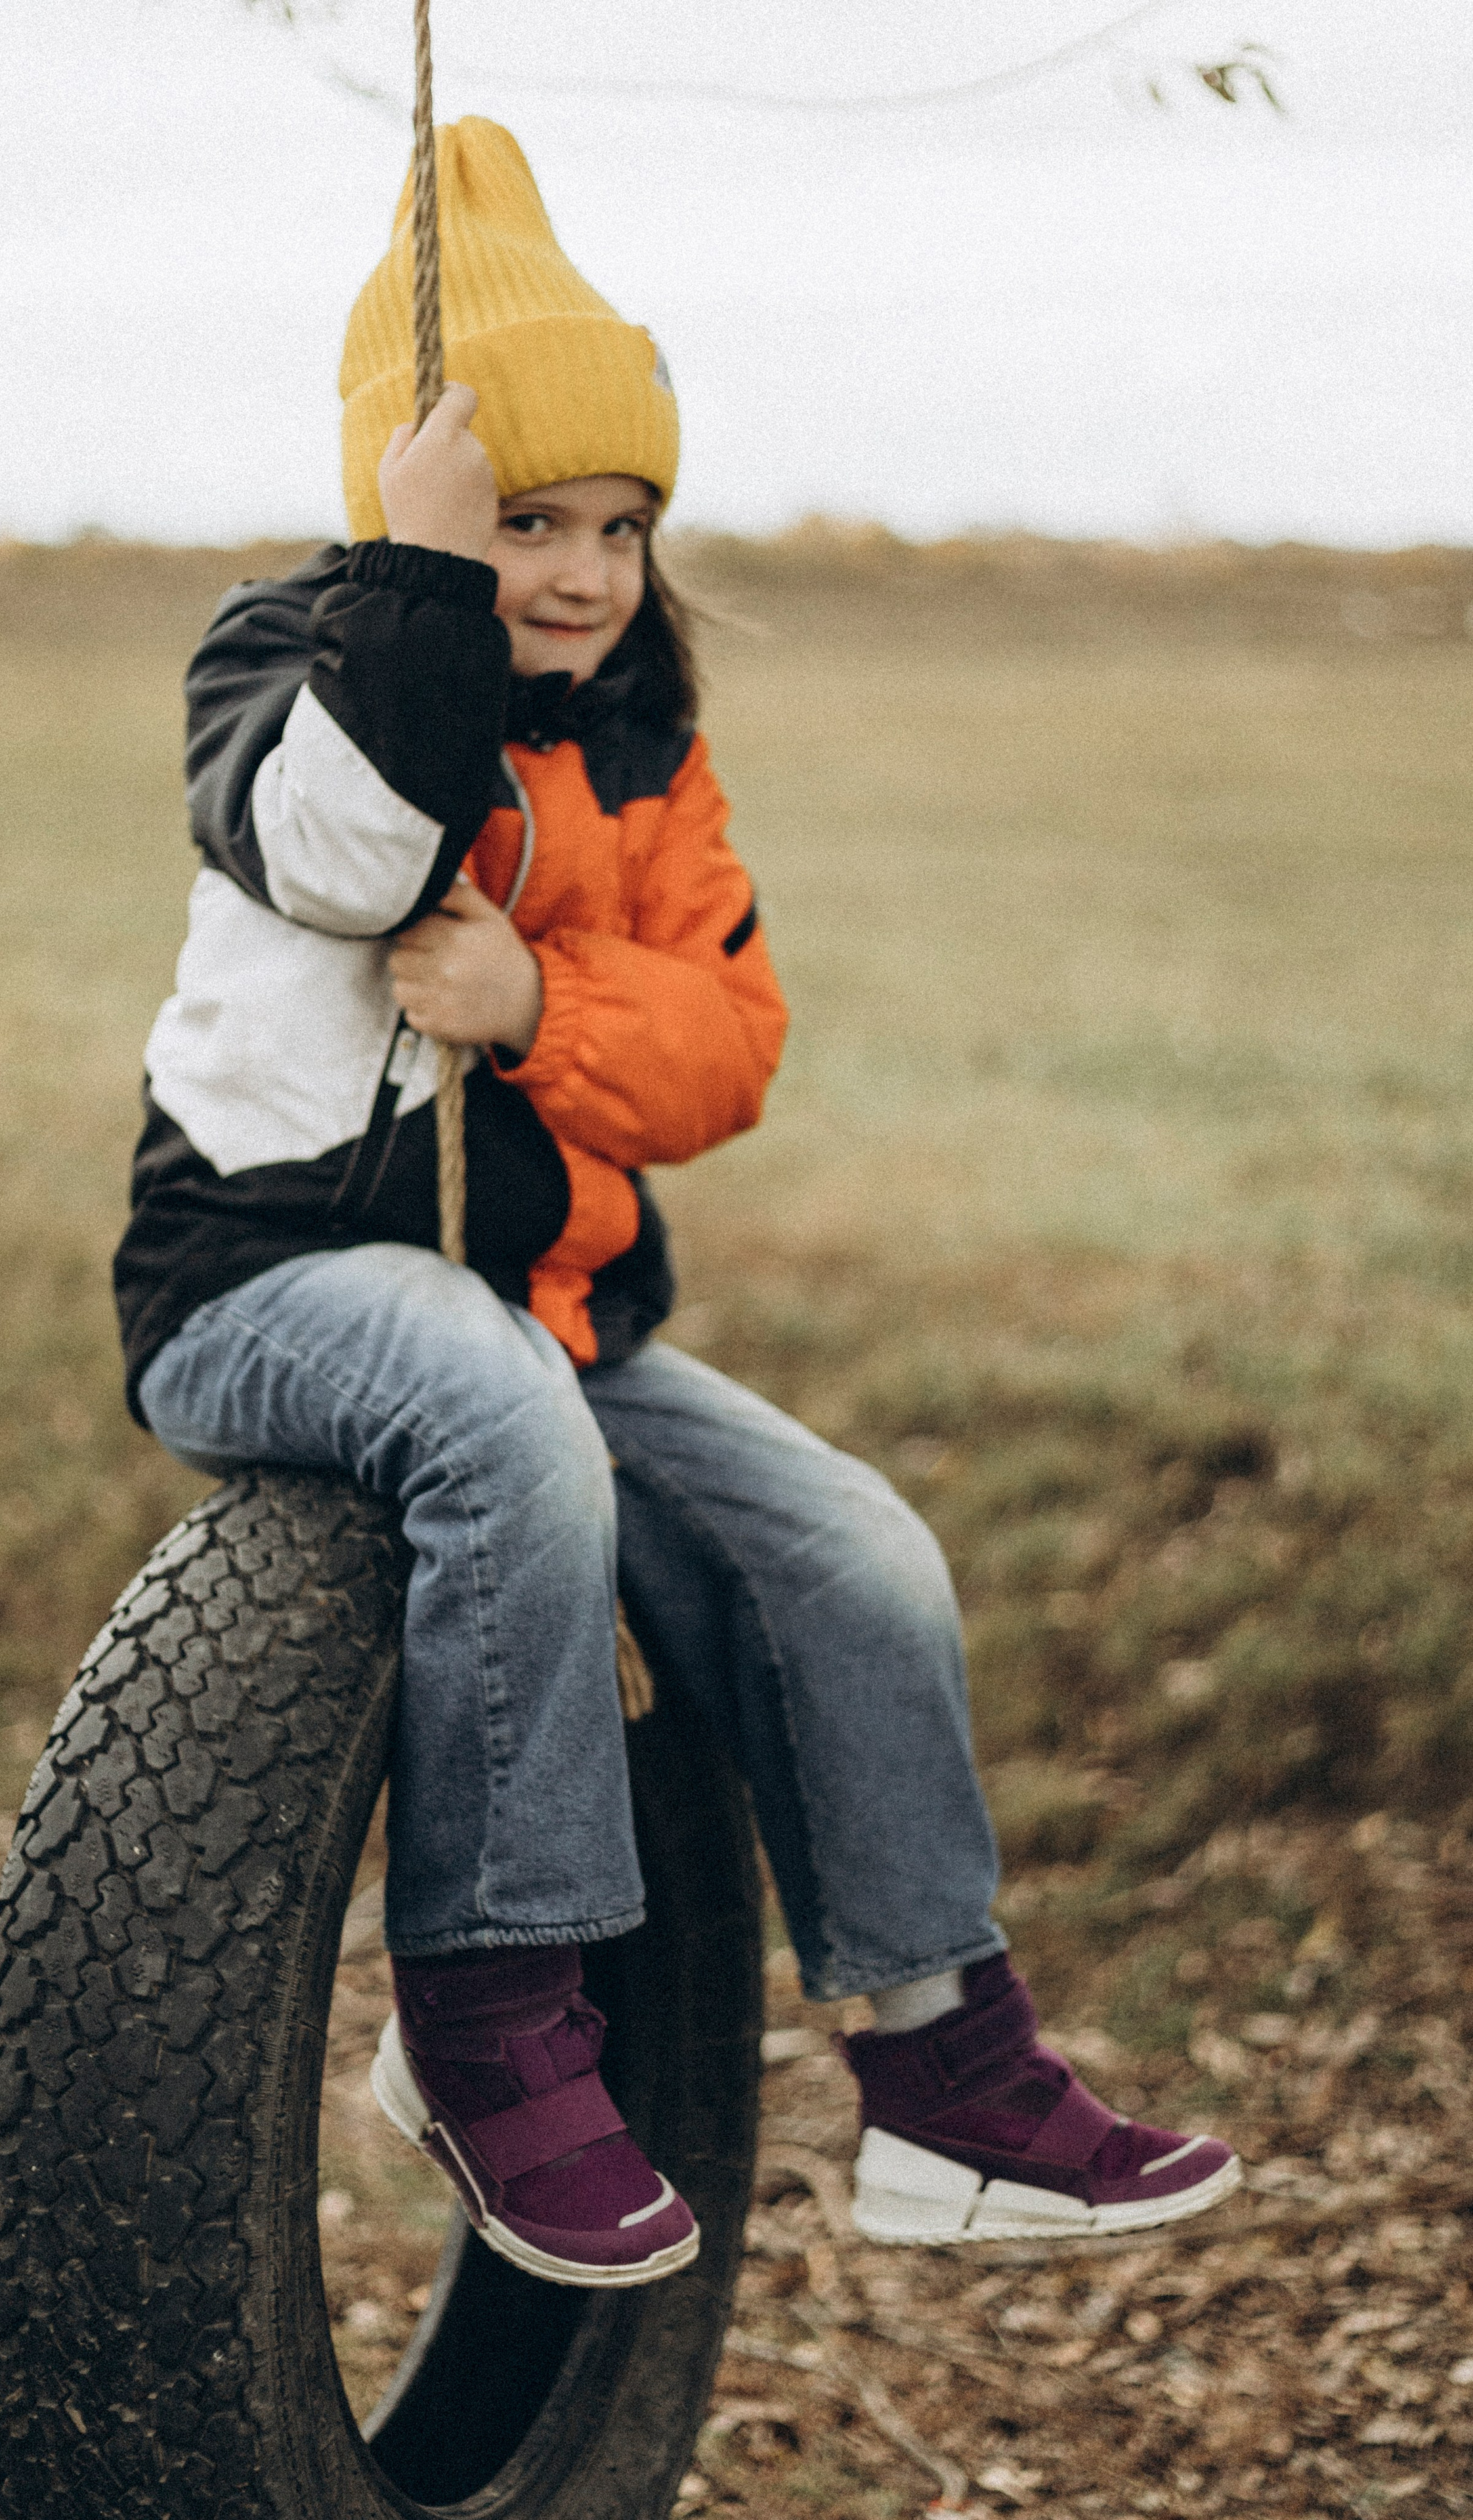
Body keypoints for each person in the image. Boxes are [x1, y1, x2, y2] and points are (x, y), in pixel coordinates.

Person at [114, 119, 1237, 2292]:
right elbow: (341, 862)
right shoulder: (290, 656)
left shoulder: (642, 746)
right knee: (497, 1426)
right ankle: (489, 2014)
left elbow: (729, 1044)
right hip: (268, 1287)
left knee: (854, 1550)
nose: (579, 570)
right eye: (523, 518)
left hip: (542, 1313)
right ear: (413, 500)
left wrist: (540, 999)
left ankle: (944, 2074)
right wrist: (417, 586)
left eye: (617, 526)